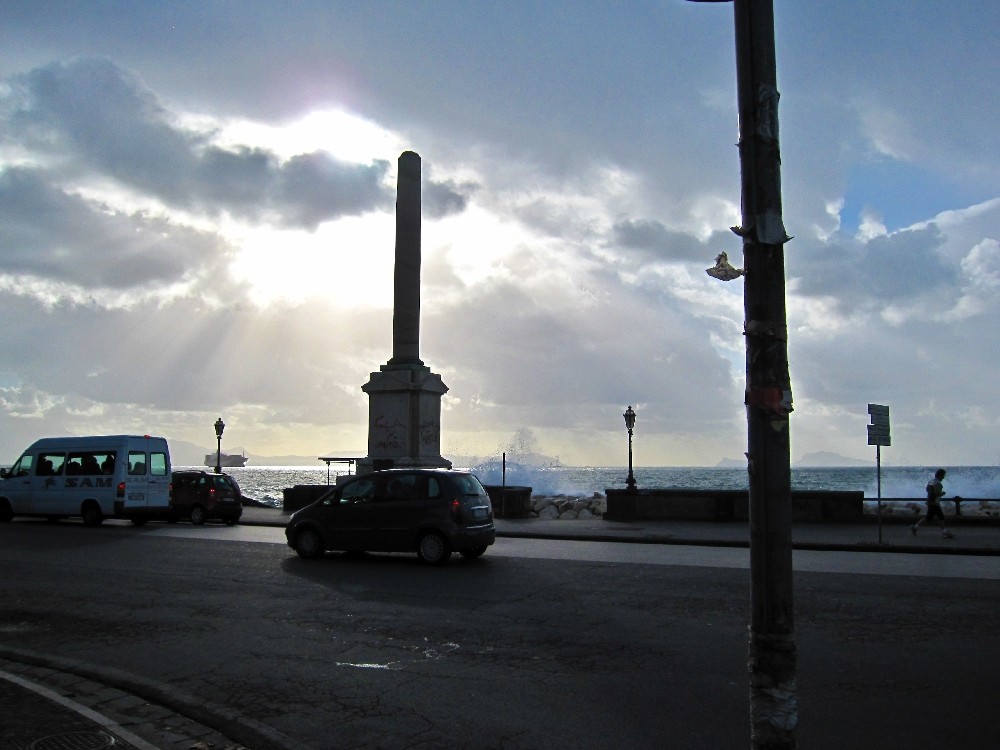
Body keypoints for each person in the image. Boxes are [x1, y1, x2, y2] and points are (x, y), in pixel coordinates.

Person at [912, 468, 954, 538]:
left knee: (932, 518)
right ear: (940, 475)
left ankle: (915, 527)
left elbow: (927, 490)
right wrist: (942, 493)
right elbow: (936, 493)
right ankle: (945, 533)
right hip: (934, 503)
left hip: (930, 502)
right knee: (939, 517)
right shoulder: (938, 484)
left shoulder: (930, 481)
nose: (943, 477)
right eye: (943, 476)